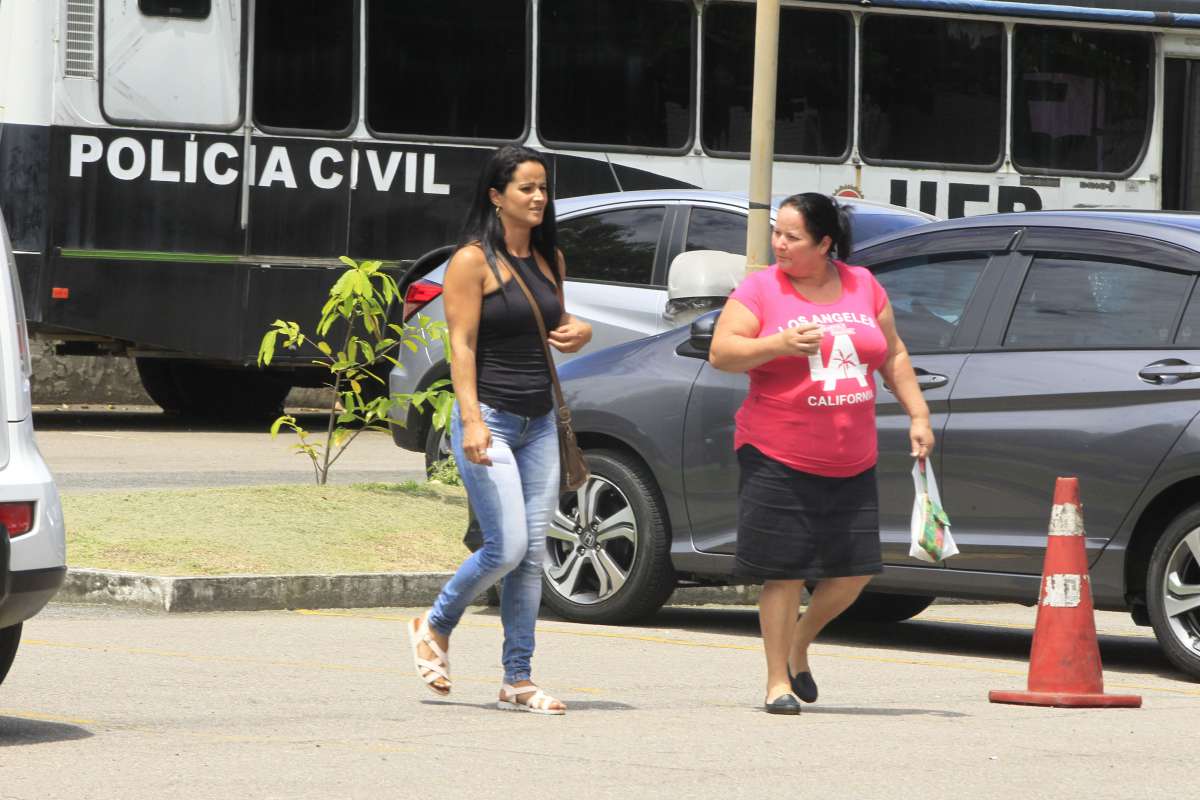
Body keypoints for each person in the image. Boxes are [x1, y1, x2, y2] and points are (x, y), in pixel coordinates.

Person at [708, 193, 933, 715]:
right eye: (777, 233)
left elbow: (893, 351)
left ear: (825, 243)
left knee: (854, 571)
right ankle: (775, 683)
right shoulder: (761, 288)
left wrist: (917, 414)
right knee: (784, 571)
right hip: (777, 450)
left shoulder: (863, 284)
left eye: (792, 237)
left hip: (852, 454)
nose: (779, 245)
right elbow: (723, 352)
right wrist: (778, 346)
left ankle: (799, 644)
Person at [407, 145, 592, 715]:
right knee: (507, 546)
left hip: (540, 422)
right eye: (526, 189)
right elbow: (459, 344)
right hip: (490, 418)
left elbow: (556, 325)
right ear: (496, 196)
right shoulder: (471, 261)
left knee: (532, 554)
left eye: (543, 189)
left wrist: (578, 330)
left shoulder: (548, 259)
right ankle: (435, 625)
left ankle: (518, 677)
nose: (538, 198)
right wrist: (469, 421)